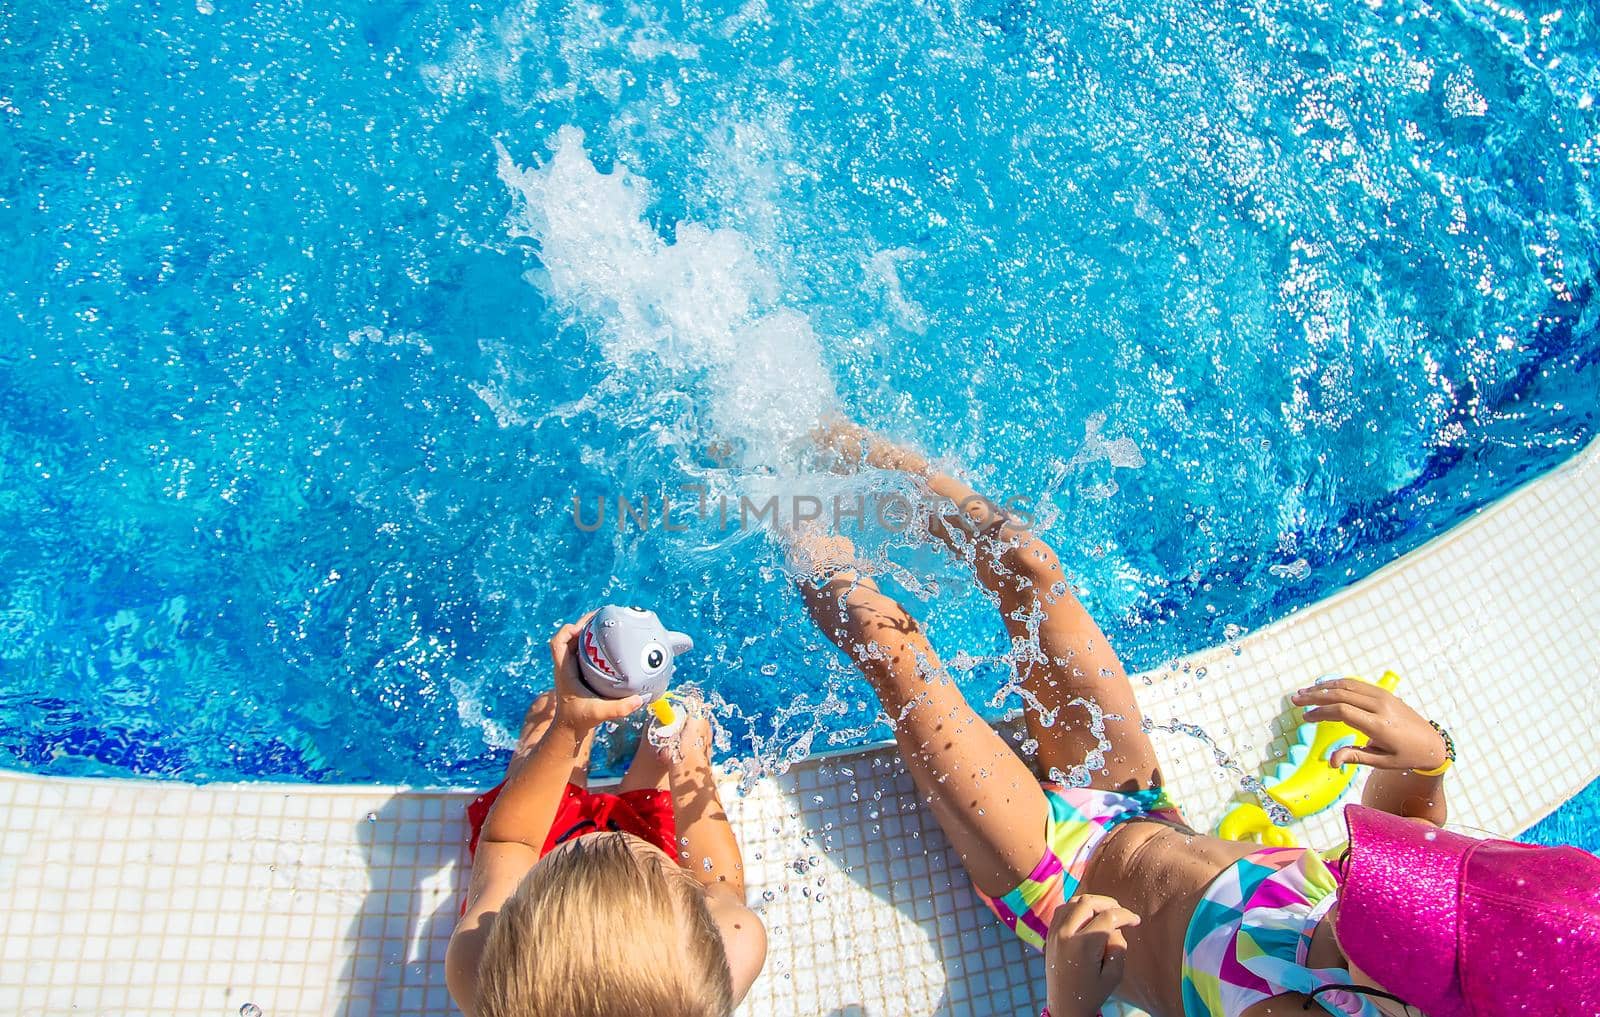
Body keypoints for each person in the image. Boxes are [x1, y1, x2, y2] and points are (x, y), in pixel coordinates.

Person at [794, 422, 1600, 1017]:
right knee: (1029, 563)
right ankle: (837, 450)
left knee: (889, 645)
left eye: (1405, 912)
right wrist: (1422, 765)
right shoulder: (1400, 927)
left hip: (1052, 874)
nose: (1378, 877)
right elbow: (1410, 832)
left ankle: (780, 511)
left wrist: (1072, 1001)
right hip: (1141, 804)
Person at [445, 615, 767, 1017]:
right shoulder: (728, 952)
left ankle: (581, 726)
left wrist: (569, 721)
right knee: (685, 716)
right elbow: (716, 878)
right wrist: (691, 759)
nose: (608, 841)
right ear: (706, 929)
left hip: (540, 856)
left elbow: (511, 841)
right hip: (635, 862)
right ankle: (641, 744)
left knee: (546, 713)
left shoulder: (481, 970)